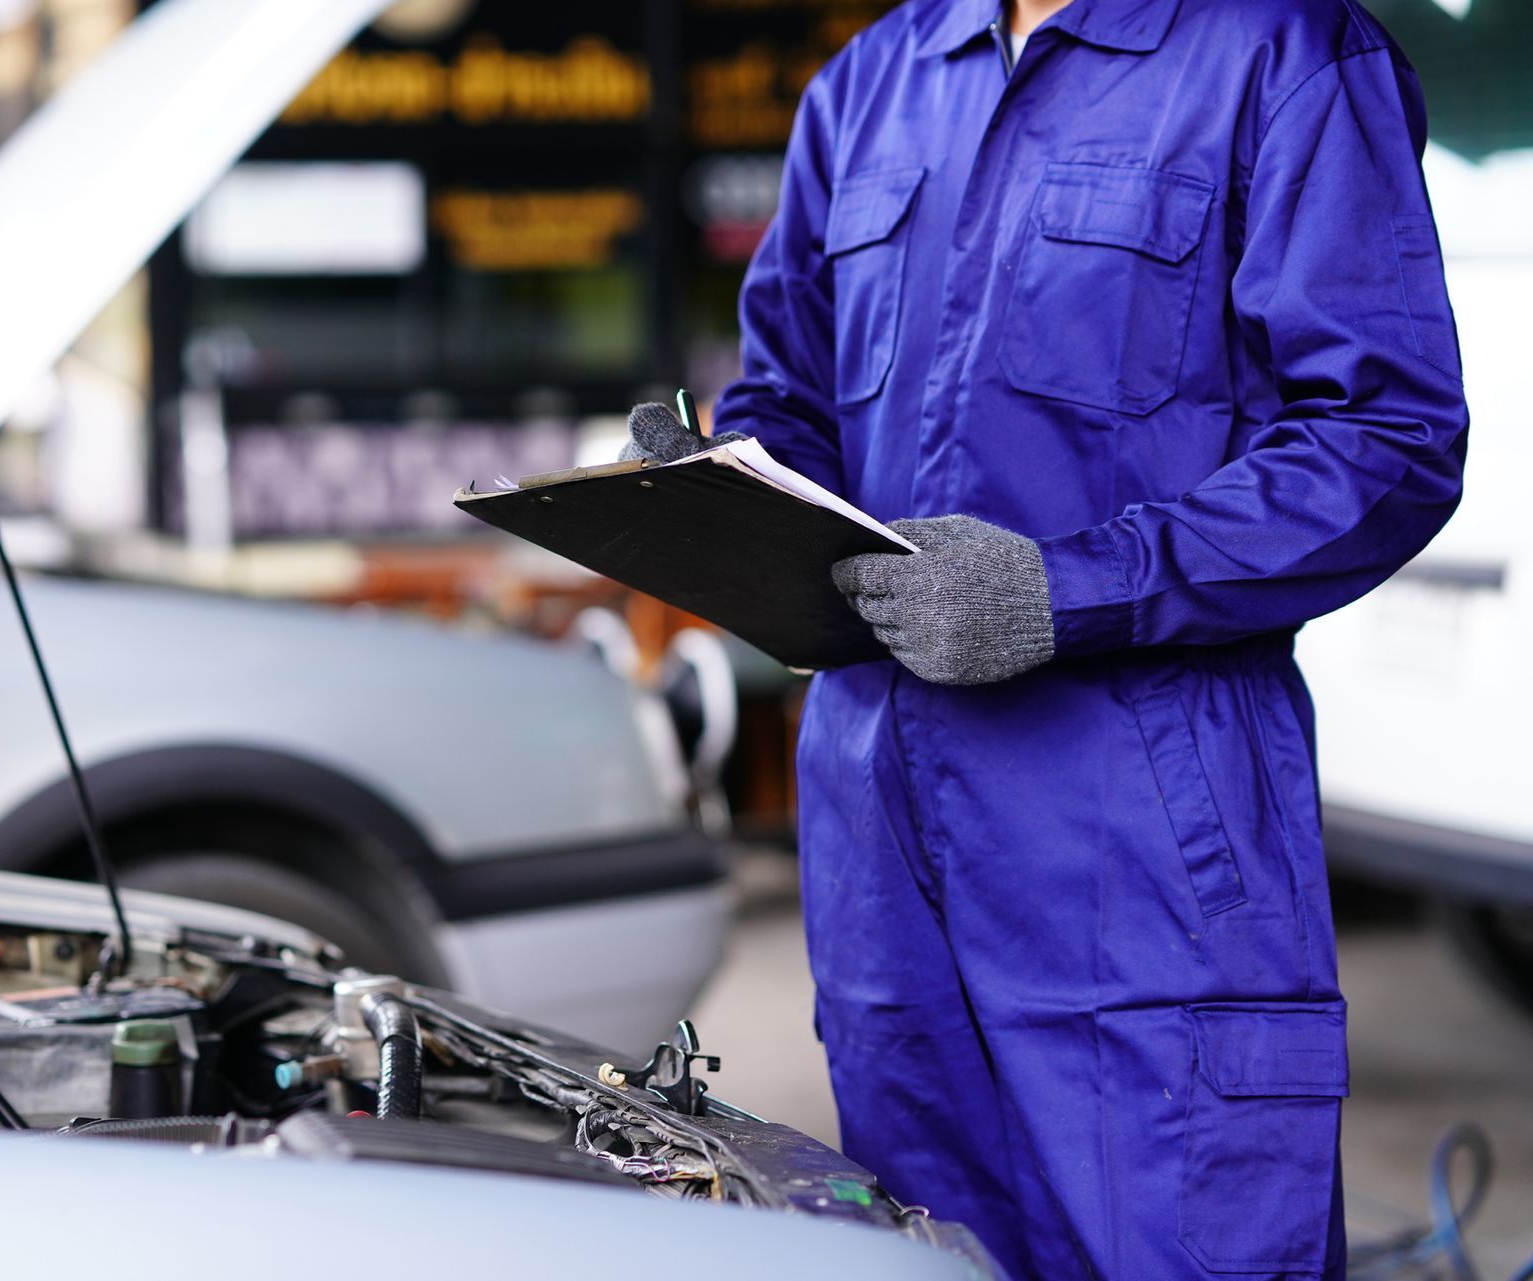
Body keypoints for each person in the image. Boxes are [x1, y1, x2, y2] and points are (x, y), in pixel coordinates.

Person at [625, 0, 1467, 1276]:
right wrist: (727, 491)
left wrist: (1070, 590)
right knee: (926, 1256)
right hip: (881, 845)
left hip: (1145, 846)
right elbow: (786, 390)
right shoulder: (872, 83)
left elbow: (1383, 444)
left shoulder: (1278, 53)